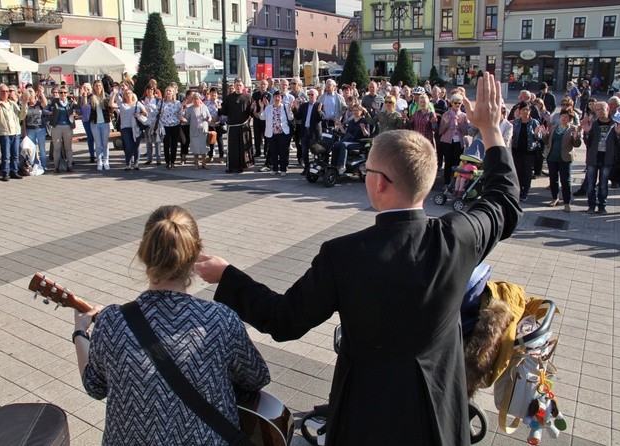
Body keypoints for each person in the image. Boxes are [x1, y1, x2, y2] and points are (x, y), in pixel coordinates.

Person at [196, 73, 522, 446]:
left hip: (365, 419)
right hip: (438, 417)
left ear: (379, 182)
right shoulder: (458, 238)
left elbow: (284, 320)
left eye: (367, 170)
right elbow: (505, 202)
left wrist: (227, 276)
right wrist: (491, 130)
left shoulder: (344, 255)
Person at [73, 205, 270, 445]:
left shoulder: (111, 321)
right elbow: (256, 378)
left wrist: (80, 333)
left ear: (144, 252)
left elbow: (95, 386)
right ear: (196, 254)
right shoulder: (220, 319)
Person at [580, 101, 620, 214]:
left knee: (603, 185)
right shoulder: (593, 125)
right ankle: (591, 206)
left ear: (607, 109)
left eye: (602, 109)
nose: (599, 112)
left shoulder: (615, 124)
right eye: (597, 110)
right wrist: (587, 133)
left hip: (607, 159)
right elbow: (588, 143)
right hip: (593, 158)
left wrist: (618, 135)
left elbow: (618, 145)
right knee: (591, 184)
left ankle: (602, 206)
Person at [542, 110, 581, 213]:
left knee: (566, 181)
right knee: (553, 179)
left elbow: (576, 144)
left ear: (570, 119)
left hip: (565, 158)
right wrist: (545, 135)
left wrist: (576, 136)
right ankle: (555, 198)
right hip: (552, 157)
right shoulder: (554, 128)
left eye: (566, 117)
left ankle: (567, 203)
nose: (563, 118)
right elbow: (546, 142)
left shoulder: (572, 129)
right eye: (562, 116)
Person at [511, 101, 545, 201]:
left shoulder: (534, 122)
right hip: (517, 150)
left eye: (527, 110)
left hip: (529, 151)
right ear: (519, 111)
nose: (525, 112)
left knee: (527, 172)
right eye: (523, 110)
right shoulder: (516, 122)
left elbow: (539, 137)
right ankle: (519, 190)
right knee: (518, 171)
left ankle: (525, 190)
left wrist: (536, 133)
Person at [0, 83, 26, 181]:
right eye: (3, 91)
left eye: (8, 91)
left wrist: (24, 105)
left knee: (15, 154)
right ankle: (5, 172)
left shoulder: (13, 103)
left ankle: (14, 171)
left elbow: (21, 116)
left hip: (15, 132)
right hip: (4, 133)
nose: (6, 93)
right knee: (6, 154)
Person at [218, 78, 253, 173]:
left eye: (240, 85)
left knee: (242, 147)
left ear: (243, 86)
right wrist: (219, 109)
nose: (238, 87)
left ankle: (241, 166)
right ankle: (231, 166)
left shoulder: (248, 97)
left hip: (243, 126)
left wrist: (254, 109)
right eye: (236, 85)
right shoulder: (228, 98)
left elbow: (251, 112)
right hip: (232, 126)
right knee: (232, 148)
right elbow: (224, 111)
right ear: (234, 86)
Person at [259, 90, 295, 176]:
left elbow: (290, 118)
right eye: (275, 97)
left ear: (281, 99)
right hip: (271, 133)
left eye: (279, 97)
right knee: (273, 151)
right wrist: (262, 107)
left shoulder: (285, 107)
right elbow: (261, 117)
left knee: (283, 152)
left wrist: (290, 110)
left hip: (282, 133)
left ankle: (283, 169)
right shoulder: (268, 108)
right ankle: (275, 169)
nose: (277, 98)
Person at [110, 88, 146, 171]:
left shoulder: (137, 103)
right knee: (128, 146)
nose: (128, 95)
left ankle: (136, 163)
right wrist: (114, 94)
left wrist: (139, 114)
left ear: (132, 94)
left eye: (130, 93)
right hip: (125, 127)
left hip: (136, 127)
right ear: (124, 96)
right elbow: (111, 104)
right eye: (126, 94)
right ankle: (128, 163)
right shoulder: (122, 104)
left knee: (136, 146)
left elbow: (145, 113)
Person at [438, 94, 470, 186]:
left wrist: (460, 124)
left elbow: (466, 132)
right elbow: (440, 131)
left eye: (459, 103)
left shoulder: (464, 116)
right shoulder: (446, 114)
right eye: (455, 103)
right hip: (447, 141)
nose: (457, 105)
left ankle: (456, 182)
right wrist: (447, 123)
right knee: (448, 161)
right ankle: (446, 182)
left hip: (458, 142)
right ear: (451, 103)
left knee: (457, 162)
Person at [294, 88, 324, 175]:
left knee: (316, 151)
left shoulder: (319, 105)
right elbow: (298, 117)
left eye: (312, 94)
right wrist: (296, 108)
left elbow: (321, 118)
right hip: (305, 131)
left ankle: (316, 168)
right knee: (304, 151)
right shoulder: (304, 105)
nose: (310, 96)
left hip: (314, 132)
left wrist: (319, 111)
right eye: (309, 94)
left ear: (316, 96)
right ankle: (306, 168)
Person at [48, 86, 77, 173]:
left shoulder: (70, 103)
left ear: (67, 94)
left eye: (65, 92)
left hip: (67, 126)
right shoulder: (54, 102)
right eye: (61, 92)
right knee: (57, 147)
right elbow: (45, 108)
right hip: (57, 126)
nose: (63, 94)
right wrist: (50, 113)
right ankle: (56, 166)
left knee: (68, 147)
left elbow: (80, 109)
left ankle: (69, 165)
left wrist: (76, 103)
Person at [182, 92, 212, 170]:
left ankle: (204, 163)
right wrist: (184, 120)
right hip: (194, 131)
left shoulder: (204, 107)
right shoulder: (190, 109)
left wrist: (208, 119)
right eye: (194, 99)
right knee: (195, 148)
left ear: (200, 99)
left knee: (204, 148)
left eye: (197, 99)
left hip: (203, 130)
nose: (196, 100)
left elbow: (210, 117)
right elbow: (187, 120)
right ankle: (196, 164)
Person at [22, 87, 49, 172]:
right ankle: (34, 165)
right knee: (32, 149)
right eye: (29, 98)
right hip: (30, 129)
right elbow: (23, 119)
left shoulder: (38, 104)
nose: (31, 100)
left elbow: (45, 103)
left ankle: (43, 165)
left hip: (40, 128)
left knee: (42, 148)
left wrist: (41, 93)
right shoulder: (26, 106)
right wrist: (24, 131)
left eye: (31, 98)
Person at [89, 80, 112, 171]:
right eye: (96, 86)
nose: (98, 87)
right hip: (95, 123)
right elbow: (84, 105)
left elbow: (111, 108)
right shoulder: (91, 97)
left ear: (102, 86)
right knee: (98, 144)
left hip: (105, 122)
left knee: (105, 143)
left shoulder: (106, 96)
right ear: (93, 87)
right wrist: (82, 96)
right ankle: (99, 160)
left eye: (99, 86)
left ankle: (106, 160)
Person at [159, 83, 183, 169]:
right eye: (167, 90)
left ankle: (172, 162)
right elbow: (158, 113)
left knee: (174, 144)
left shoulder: (177, 103)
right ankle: (167, 162)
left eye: (170, 91)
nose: (168, 92)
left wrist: (182, 117)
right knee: (166, 144)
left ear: (173, 93)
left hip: (175, 125)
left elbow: (180, 114)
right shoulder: (162, 102)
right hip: (165, 126)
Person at [79, 83, 96, 163]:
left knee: (96, 137)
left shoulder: (93, 96)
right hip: (86, 120)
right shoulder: (82, 97)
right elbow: (81, 108)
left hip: (93, 119)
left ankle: (99, 155)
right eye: (84, 89)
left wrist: (85, 96)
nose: (86, 90)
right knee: (90, 137)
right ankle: (92, 155)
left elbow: (87, 105)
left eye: (88, 89)